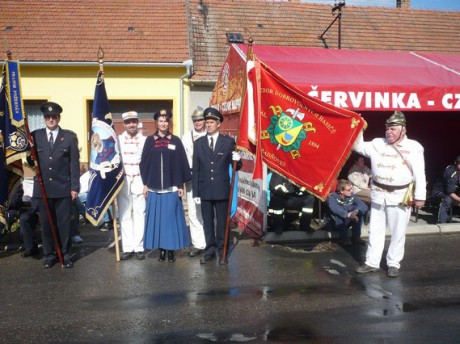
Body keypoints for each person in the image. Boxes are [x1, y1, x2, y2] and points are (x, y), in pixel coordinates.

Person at [354, 111, 426, 277]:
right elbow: (357, 146)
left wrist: (420, 196)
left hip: (400, 195)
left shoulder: (414, 147)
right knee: (375, 230)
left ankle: (393, 263)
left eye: (393, 128)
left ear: (403, 130)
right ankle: (371, 262)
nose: (389, 132)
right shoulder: (377, 143)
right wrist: (358, 127)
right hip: (378, 193)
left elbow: (419, 173)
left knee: (398, 231)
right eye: (387, 128)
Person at [30, 102, 80, 269]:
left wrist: (74, 187)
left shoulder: (69, 137)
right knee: (46, 225)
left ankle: (66, 255)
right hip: (43, 189)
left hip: (63, 188)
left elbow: (74, 164)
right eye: (48, 117)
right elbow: (31, 160)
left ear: (59, 118)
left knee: (63, 224)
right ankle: (49, 255)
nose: (51, 119)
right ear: (44, 119)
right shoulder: (35, 137)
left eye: (54, 117)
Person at [140, 109, 191, 263]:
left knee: (170, 219)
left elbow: (181, 163)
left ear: (169, 122)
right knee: (159, 220)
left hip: (171, 187)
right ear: (157, 123)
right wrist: (145, 184)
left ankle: (171, 250)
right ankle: (161, 250)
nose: (163, 123)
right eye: (160, 121)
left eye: (166, 121)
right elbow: (144, 163)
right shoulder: (150, 141)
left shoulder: (175, 141)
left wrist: (180, 184)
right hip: (154, 187)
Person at [192, 107, 242, 265]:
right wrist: (196, 192)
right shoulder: (199, 143)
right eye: (207, 122)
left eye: (212, 122)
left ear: (219, 124)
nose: (208, 125)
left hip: (221, 189)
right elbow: (196, 168)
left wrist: (237, 159)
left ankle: (222, 250)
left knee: (222, 223)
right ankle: (210, 250)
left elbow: (236, 166)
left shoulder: (227, 142)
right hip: (205, 189)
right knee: (207, 222)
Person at [117, 111, 147, 260]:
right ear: (124, 124)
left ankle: (139, 247)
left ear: (138, 122)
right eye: (128, 122)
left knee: (140, 213)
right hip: (123, 182)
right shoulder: (117, 140)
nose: (132, 124)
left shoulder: (144, 140)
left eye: (134, 121)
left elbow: (148, 163)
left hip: (140, 181)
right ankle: (128, 247)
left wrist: (147, 183)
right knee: (125, 214)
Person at [181, 106, 207, 257]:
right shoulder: (186, 137)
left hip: (207, 177)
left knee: (208, 210)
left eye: (201, 120)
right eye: (195, 120)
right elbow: (183, 159)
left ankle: (210, 241)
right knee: (193, 210)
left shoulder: (210, 134)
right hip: (192, 177)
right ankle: (198, 243)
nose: (198, 123)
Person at [326, 179, 368, 246]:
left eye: (351, 189)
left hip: (348, 220)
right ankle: (344, 238)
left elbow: (363, 205)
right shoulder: (332, 197)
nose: (351, 191)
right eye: (349, 190)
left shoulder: (351, 196)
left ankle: (356, 237)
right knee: (339, 214)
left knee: (359, 211)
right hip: (334, 223)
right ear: (341, 191)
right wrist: (348, 214)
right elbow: (335, 208)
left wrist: (355, 212)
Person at [431, 155, 460, 223]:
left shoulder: (457, 170)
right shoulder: (452, 173)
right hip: (438, 192)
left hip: (451, 191)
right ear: (456, 163)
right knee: (447, 199)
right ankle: (442, 222)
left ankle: (446, 217)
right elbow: (450, 192)